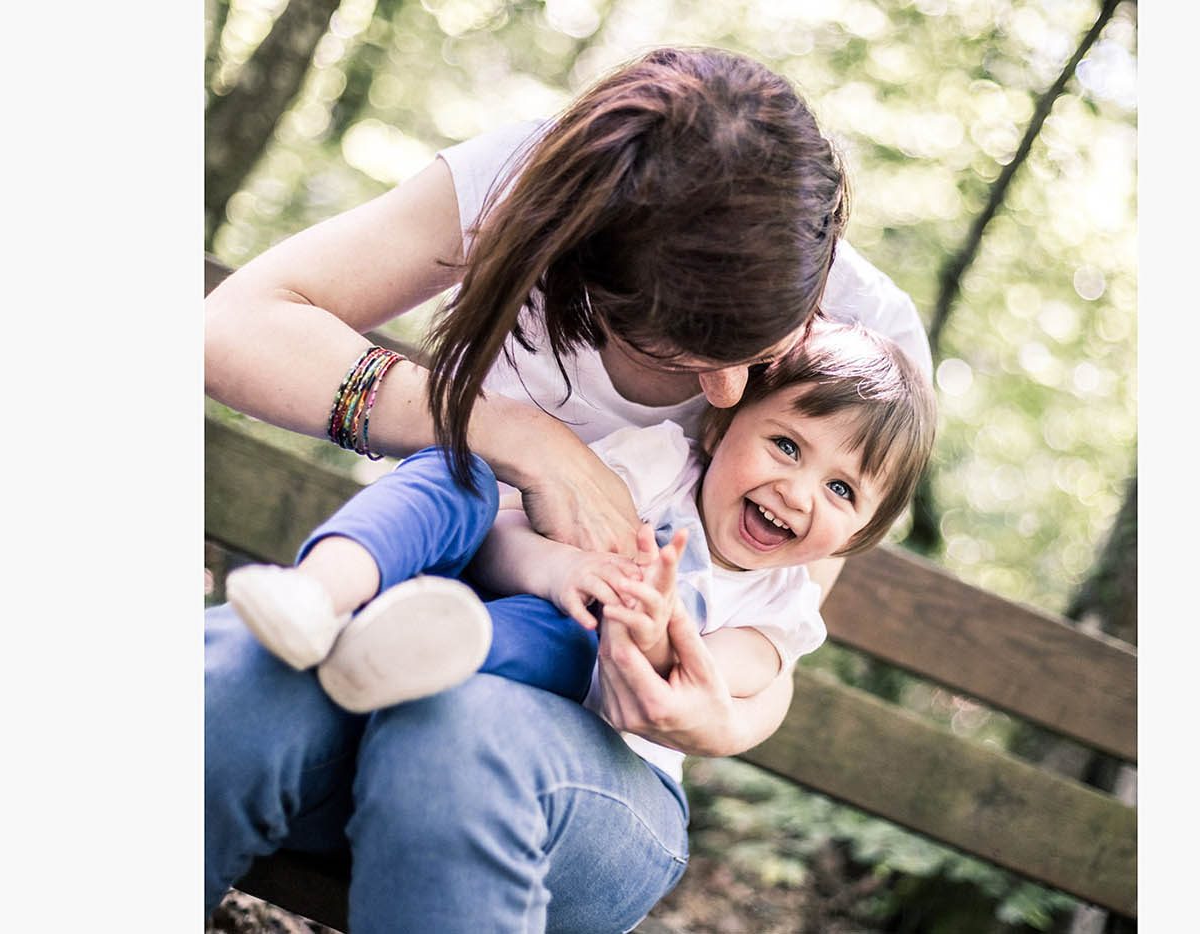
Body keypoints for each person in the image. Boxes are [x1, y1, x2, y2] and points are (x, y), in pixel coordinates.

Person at [205, 46, 932, 931]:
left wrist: (710, 722)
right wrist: (517, 438)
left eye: (761, 356)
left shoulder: (870, 350)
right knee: (231, 685)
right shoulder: (533, 189)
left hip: (584, 773)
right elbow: (232, 330)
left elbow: (772, 631)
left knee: (461, 735)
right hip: (385, 636)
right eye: (677, 360)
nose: (726, 402)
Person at [224, 324, 936, 748]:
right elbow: (493, 537)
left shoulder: (780, 612)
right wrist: (559, 567)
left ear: (859, 534)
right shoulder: (657, 464)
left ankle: (377, 659)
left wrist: (650, 634)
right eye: (786, 446)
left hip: (539, 672)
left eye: (843, 490)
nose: (798, 491)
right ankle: (320, 592)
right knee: (459, 473)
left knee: (575, 636)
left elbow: (701, 678)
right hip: (459, 575)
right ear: (721, 425)